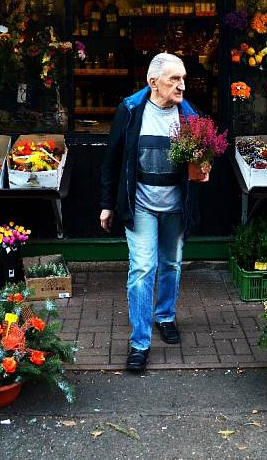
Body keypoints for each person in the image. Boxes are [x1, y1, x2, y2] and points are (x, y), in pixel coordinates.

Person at [100, 53, 200, 372]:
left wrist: (204, 161)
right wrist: (106, 204)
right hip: (139, 203)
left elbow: (202, 162)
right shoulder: (131, 111)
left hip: (175, 206)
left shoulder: (189, 115)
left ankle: (166, 315)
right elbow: (112, 161)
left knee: (171, 262)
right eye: (174, 79)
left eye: (183, 78)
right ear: (153, 83)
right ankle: (140, 342)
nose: (181, 85)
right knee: (143, 268)